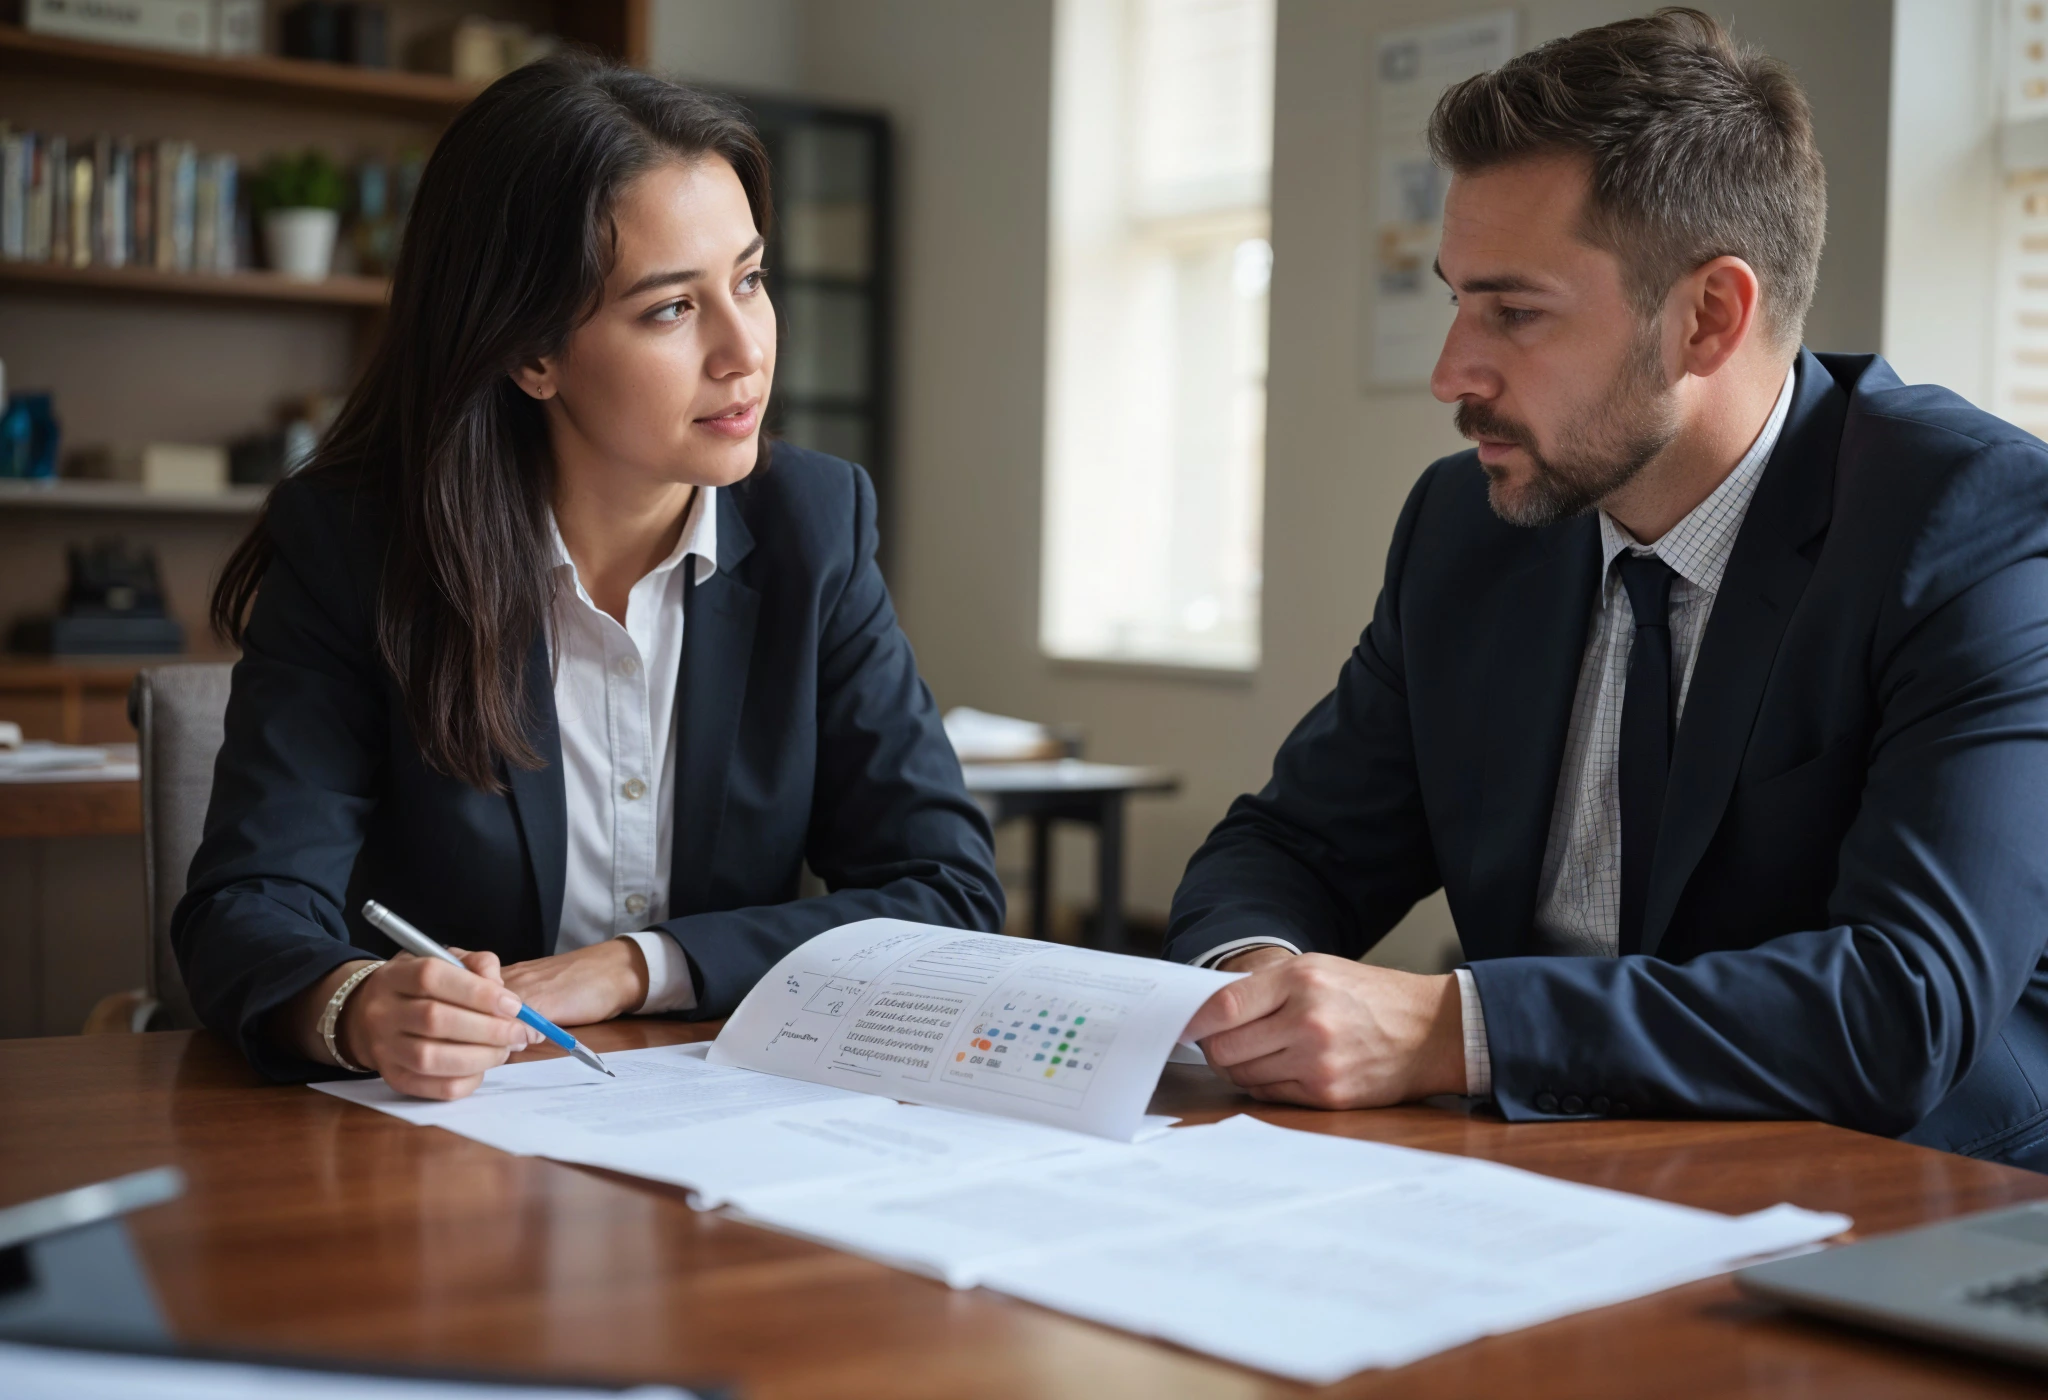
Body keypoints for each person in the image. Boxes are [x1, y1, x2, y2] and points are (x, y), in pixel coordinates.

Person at [1173, 9, 2048, 1171]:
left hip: (1894, 1188)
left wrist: (1454, 1027)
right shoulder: (1463, 528)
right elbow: (1290, 845)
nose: (1450, 374)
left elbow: (1898, 1001)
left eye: (1514, 312)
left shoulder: (1968, 523)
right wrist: (1259, 978)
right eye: (1453, 298)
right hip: (1543, 1165)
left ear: (1706, 317)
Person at [174, 55, 1001, 1100]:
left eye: (747, 278)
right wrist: (354, 1004)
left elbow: (945, 892)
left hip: (723, 1132)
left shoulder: (813, 528)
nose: (745, 349)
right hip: (441, 1153)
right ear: (531, 353)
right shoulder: (362, 550)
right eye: (670, 309)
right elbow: (246, 904)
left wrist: (638, 965)